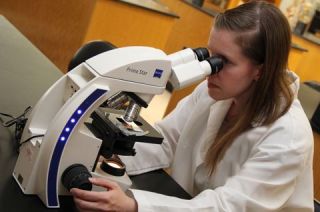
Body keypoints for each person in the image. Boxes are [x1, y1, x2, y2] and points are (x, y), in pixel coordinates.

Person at [70, 1, 314, 211]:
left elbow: (227, 207)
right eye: (210, 55)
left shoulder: (289, 137)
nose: (210, 68)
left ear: (259, 70)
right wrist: (96, 158)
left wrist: (135, 206)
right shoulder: (217, 90)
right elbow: (166, 141)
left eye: (224, 61)